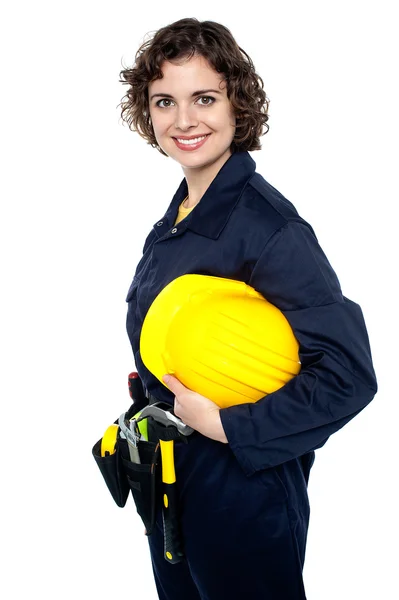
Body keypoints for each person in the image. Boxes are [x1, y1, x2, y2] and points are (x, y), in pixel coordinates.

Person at [118, 17, 378, 600]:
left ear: (238, 103)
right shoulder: (182, 213)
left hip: (244, 485)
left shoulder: (270, 228)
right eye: (165, 101)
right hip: (173, 477)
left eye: (203, 98)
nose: (183, 121)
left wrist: (229, 426)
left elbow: (348, 375)